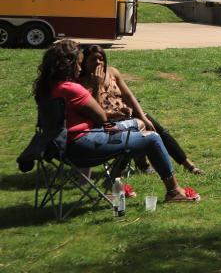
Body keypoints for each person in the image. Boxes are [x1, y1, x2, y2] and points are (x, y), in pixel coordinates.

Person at [32, 40, 199, 202]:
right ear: (69, 64)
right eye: (79, 62)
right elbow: (100, 117)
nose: (79, 66)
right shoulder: (73, 88)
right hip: (83, 145)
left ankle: (114, 186)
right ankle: (174, 191)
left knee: (135, 128)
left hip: (60, 148)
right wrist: (98, 86)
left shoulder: (47, 88)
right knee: (151, 138)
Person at [78, 45, 202, 175]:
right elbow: (95, 111)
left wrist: (142, 116)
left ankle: (188, 165)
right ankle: (140, 165)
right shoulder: (81, 83)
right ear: (85, 63)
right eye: (93, 60)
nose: (98, 62)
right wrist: (97, 84)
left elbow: (128, 96)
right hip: (107, 121)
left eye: (101, 59)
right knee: (137, 132)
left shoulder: (112, 72)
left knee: (156, 128)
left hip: (127, 113)